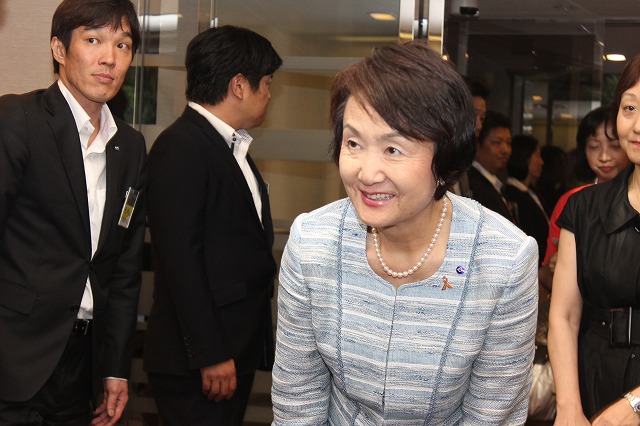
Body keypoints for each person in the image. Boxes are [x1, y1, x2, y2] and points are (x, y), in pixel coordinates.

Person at [271, 40, 538, 425]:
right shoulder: (313, 243)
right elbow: (298, 400)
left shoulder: (503, 260)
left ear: (445, 155)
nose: (366, 173)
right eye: (353, 143)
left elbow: (492, 414)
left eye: (393, 149)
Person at [0, 1, 146, 425]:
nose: (110, 58)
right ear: (59, 49)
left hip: (84, 365)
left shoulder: (130, 146)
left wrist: (116, 367)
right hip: (12, 355)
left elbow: (123, 267)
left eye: (123, 45)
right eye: (94, 40)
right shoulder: (18, 119)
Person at [143, 25, 282, 426]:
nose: (268, 95)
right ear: (239, 85)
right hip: (200, 361)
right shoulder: (182, 147)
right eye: (266, 84)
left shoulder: (228, 145)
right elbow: (181, 259)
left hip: (230, 349)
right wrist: (211, 353)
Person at [548, 52, 640, 424]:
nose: (637, 126)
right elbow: (564, 315)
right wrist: (569, 408)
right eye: (630, 108)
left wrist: (635, 405)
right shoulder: (584, 208)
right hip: (595, 379)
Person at [541, 106, 630, 267]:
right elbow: (547, 268)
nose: (604, 157)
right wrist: (555, 263)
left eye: (615, 146)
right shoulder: (573, 200)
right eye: (594, 147)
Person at [504, 134, 549, 266]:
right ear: (525, 157)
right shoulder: (513, 194)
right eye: (537, 156)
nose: (542, 162)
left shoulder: (532, 191)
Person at [467, 110, 517, 221]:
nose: (505, 150)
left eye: (508, 143)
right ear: (477, 145)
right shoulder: (472, 185)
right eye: (496, 142)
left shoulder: (495, 184)